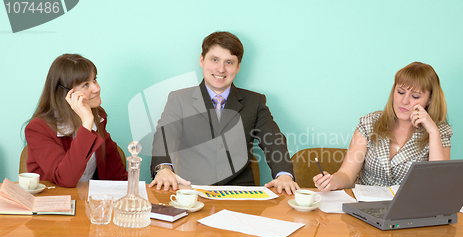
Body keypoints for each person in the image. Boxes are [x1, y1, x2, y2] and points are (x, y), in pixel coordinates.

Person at [150, 31, 299, 194]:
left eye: (229, 62)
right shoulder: (179, 99)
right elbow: (165, 135)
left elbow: (273, 140)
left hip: (239, 195)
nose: (221, 69)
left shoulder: (254, 102)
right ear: (202, 60)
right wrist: (163, 168)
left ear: (238, 66)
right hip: (190, 191)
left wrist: (284, 175)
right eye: (214, 60)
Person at [314, 62, 452, 191]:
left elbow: (437, 185)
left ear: (429, 100)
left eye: (415, 96)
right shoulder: (370, 123)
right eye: (401, 92)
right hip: (365, 207)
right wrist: (332, 181)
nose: (404, 101)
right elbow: (347, 175)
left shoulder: (439, 131)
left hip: (410, 211)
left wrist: (433, 132)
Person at [25, 54, 127, 188]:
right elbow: (65, 179)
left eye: (94, 80)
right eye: (86, 85)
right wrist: (87, 123)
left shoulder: (97, 116)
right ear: (67, 94)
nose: (97, 88)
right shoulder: (38, 128)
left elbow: (117, 173)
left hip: (87, 203)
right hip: (54, 204)